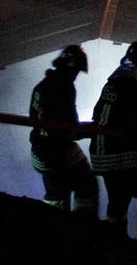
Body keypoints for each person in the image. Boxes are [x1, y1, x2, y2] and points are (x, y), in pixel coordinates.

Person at [90, 40, 137, 246]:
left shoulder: (114, 80)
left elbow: (98, 114)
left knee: (119, 196)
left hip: (101, 153)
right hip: (119, 153)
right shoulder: (134, 82)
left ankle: (116, 241)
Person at [28, 44, 98, 218]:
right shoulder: (64, 87)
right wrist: (93, 130)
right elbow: (71, 129)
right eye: (77, 71)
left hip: (39, 152)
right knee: (87, 184)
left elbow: (36, 119)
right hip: (57, 152)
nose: (76, 76)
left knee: (57, 193)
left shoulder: (42, 86)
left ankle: (56, 228)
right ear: (72, 68)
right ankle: (84, 224)